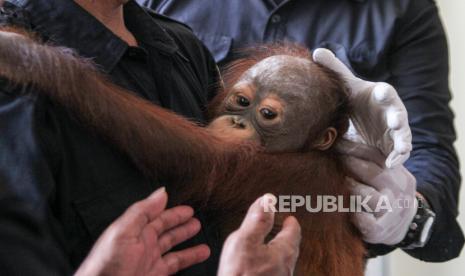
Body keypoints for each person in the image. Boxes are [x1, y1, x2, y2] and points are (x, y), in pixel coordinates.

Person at [142, 0, 465, 261]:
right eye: (240, 101)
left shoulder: (402, 9)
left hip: (310, 245)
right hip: (173, 240)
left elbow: (429, 148)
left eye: (268, 114)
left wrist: (408, 213)